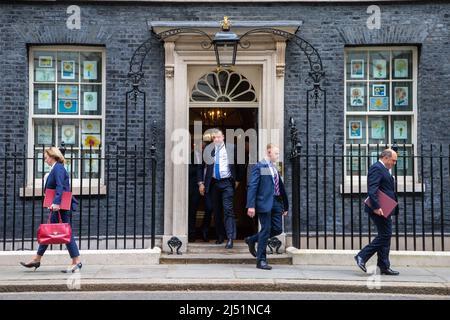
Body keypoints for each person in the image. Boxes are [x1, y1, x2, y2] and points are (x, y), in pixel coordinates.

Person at [20, 147, 82, 273]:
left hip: (61, 207)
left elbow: (60, 186)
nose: (45, 159)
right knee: (49, 232)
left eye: (46, 156)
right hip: (59, 206)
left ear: (52, 156)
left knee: (64, 233)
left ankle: (77, 261)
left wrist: (56, 203)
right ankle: (38, 259)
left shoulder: (58, 168)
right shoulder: (56, 168)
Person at [355, 149, 399, 276]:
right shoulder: (376, 168)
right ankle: (361, 256)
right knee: (385, 235)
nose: (394, 163)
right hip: (378, 208)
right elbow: (372, 189)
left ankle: (383, 266)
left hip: (385, 208)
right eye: (393, 160)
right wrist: (376, 207)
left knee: (386, 235)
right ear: (385, 158)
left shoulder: (383, 169)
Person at [198, 129, 244, 249]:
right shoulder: (208, 149)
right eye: (214, 138)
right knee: (216, 211)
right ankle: (220, 236)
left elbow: (240, 164)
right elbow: (200, 166)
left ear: (223, 137)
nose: (216, 139)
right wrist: (201, 183)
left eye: (218, 137)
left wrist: (238, 180)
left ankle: (230, 238)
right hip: (213, 183)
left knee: (228, 209)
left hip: (227, 182)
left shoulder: (232, 148)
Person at [245, 144, 288, 270]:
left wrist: (285, 206)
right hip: (264, 202)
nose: (278, 156)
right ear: (269, 152)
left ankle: (252, 239)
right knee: (265, 230)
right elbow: (253, 186)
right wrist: (251, 205)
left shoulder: (274, 167)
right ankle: (261, 260)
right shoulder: (260, 166)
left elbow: (280, 186)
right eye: (276, 154)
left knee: (277, 229)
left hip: (276, 202)